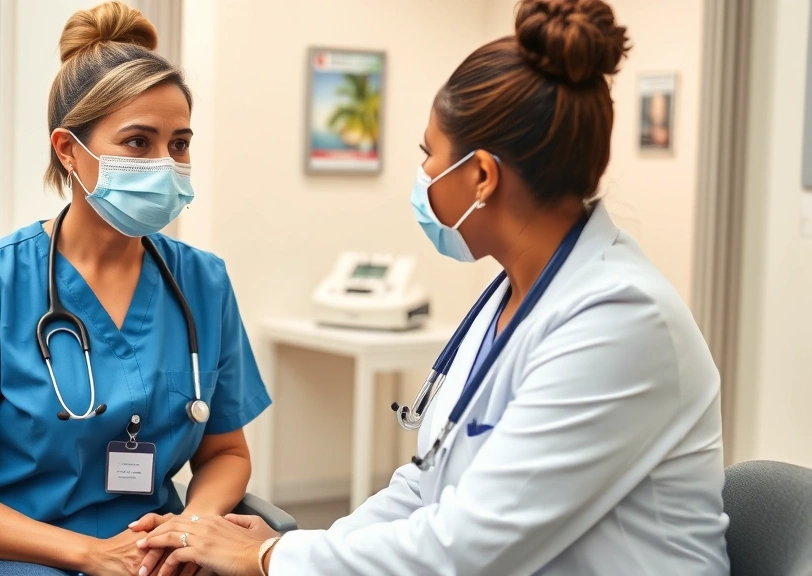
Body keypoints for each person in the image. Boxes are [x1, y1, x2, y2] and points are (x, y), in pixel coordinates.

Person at [133, 0, 731, 574]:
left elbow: (466, 551)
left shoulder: (618, 321)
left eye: (429, 155)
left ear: (481, 176)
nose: (422, 175)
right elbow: (427, 483)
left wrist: (268, 559)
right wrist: (296, 547)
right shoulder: (512, 296)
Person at [0, 3, 270, 576]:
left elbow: (227, 453)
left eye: (179, 144)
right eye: (138, 142)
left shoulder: (203, 282)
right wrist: (90, 553)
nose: (166, 164)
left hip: (140, 554)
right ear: (68, 150)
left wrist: (189, 529)